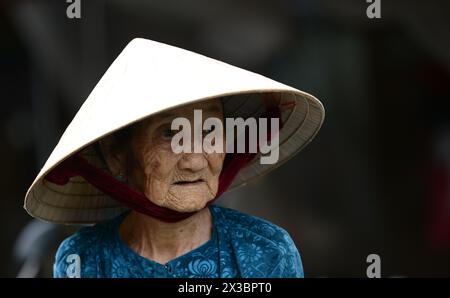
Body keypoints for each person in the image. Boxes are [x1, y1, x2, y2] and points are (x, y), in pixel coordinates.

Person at [24, 38, 325, 277]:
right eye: (170, 133)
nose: (195, 161)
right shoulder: (83, 260)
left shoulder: (267, 251)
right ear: (117, 155)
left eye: (210, 129)